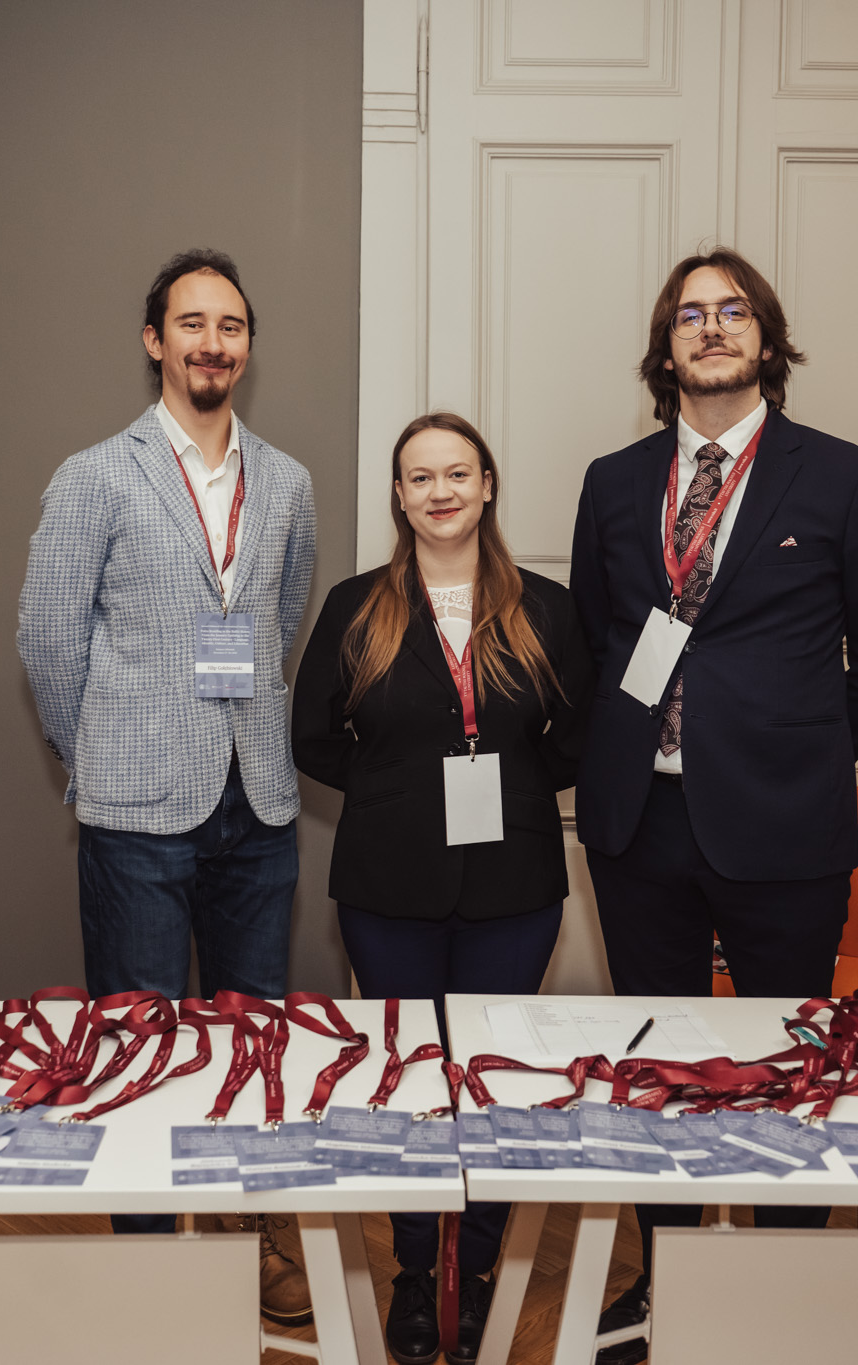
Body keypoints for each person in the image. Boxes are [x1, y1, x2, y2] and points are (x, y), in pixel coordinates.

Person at [568, 248, 858, 1362]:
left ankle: (778, 1295)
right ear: (664, 348)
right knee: (656, 1070)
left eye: (732, 312)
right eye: (690, 315)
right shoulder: (613, 482)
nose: (711, 328)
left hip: (781, 826)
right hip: (638, 825)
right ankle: (664, 1282)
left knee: (785, 1069)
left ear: (766, 340)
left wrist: (795, 754)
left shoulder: (845, 477)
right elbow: (598, 641)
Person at [17, 247, 317, 1323]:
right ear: (155, 342)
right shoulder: (95, 475)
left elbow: (281, 618)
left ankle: (252, 1239)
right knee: (136, 1047)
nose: (211, 343)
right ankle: (147, 1272)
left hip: (259, 804)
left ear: (247, 346)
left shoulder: (286, 483)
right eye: (191, 324)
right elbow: (48, 638)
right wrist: (100, 756)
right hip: (136, 811)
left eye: (229, 326)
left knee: (251, 1039)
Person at [294, 412, 594, 1365]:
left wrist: (511, 787)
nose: (440, 492)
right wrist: (398, 791)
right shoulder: (356, 606)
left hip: (515, 884)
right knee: (413, 1081)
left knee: (493, 1081)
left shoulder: (547, 607)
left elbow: (577, 738)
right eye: (420, 477)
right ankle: (418, 1276)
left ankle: (482, 1266)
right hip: (387, 884)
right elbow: (312, 736)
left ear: (487, 484)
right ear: (399, 495)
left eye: (457, 473)